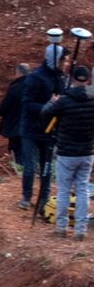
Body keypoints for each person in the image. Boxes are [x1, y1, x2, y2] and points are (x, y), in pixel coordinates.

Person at [41, 64, 94, 240]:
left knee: (63, 190)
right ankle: (80, 230)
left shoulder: (64, 101)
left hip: (66, 152)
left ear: (71, 79)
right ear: (88, 80)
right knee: (82, 190)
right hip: (87, 152)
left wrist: (52, 101)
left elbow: (44, 114)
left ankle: (61, 227)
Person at [20, 42, 66, 210]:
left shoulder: (60, 79)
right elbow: (26, 103)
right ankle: (26, 196)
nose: (66, 64)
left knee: (47, 166)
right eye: (63, 60)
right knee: (31, 166)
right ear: (56, 60)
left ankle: (44, 199)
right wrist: (47, 106)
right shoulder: (35, 78)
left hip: (50, 129)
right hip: (31, 128)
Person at [0, 63, 31, 173]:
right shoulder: (35, 85)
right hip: (32, 124)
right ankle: (30, 168)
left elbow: (6, 104)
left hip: (15, 124)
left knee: (16, 147)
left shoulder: (15, 87)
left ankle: (20, 169)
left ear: (18, 73)